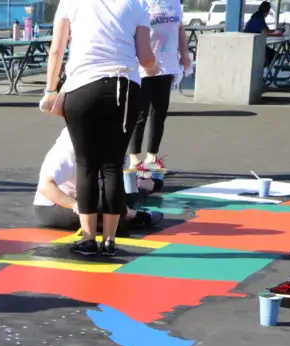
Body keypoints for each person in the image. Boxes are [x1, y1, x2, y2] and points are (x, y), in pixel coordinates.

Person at [39, 0, 159, 258]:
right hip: (125, 88)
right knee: (113, 166)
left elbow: (56, 50)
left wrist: (50, 90)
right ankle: (110, 240)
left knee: (86, 165)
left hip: (83, 86)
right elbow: (146, 58)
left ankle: (88, 238)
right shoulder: (137, 4)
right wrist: (156, 67)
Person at [34, 127, 164, 232]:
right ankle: (132, 215)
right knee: (111, 209)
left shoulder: (98, 143)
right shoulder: (65, 152)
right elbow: (46, 187)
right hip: (54, 206)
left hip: (86, 196)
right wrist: (75, 205)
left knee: (117, 193)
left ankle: (147, 186)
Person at [127, 0, 192, 173]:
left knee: (159, 113)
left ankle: (152, 157)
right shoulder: (141, 3)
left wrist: (184, 55)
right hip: (143, 66)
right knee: (140, 113)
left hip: (167, 66)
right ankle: (134, 159)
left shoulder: (175, 3)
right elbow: (131, 32)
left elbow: (179, 29)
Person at [243, 2, 284, 68]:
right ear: (267, 11)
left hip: (254, 44)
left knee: (274, 55)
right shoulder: (258, 18)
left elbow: (266, 30)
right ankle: (262, 69)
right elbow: (265, 32)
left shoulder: (258, 16)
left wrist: (275, 31)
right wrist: (276, 33)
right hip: (252, 45)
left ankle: (264, 69)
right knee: (275, 55)